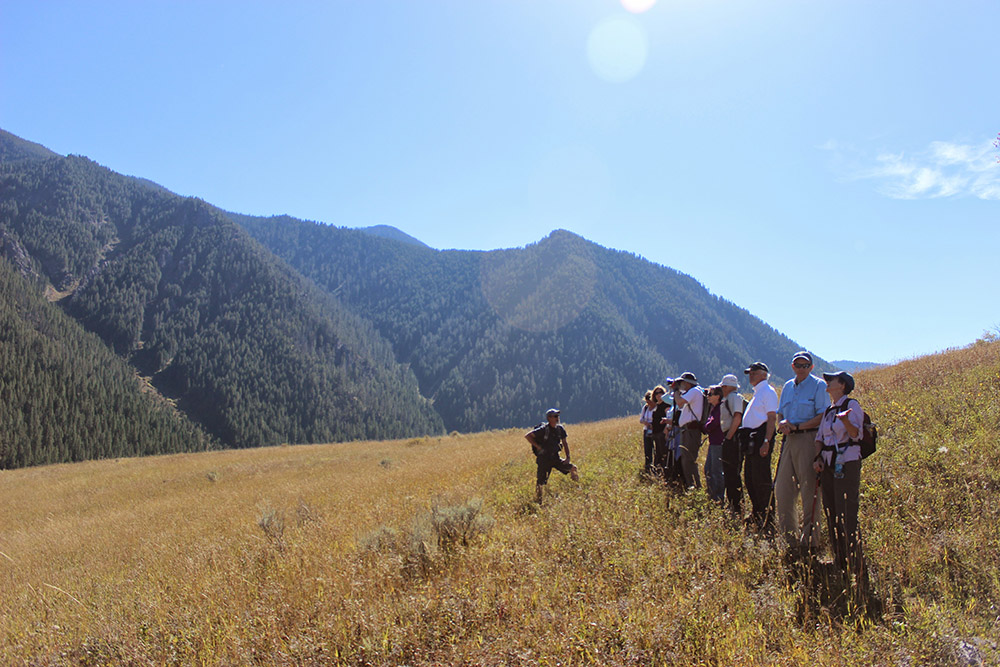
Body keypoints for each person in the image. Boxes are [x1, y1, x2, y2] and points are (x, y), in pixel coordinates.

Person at [814, 371, 868, 590]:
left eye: (832, 380)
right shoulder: (828, 411)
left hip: (847, 463)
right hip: (828, 464)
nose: (828, 382)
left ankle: (858, 566)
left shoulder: (852, 406)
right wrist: (817, 458)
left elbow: (857, 435)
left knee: (847, 512)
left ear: (843, 385)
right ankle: (840, 562)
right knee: (832, 511)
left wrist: (846, 421)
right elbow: (819, 438)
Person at [775, 351, 831, 553]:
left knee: (810, 491)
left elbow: (823, 415)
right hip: (788, 440)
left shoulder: (819, 386)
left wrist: (798, 427)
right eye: (798, 365)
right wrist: (782, 423)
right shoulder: (788, 386)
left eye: (805, 365)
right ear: (792, 366)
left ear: (811, 367)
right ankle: (789, 540)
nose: (801, 368)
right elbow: (781, 412)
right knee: (782, 490)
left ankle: (810, 542)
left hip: (809, 439)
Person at [738, 362, 778, 531]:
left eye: (754, 373)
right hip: (752, 440)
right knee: (750, 478)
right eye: (750, 373)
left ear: (763, 374)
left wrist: (767, 441)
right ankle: (757, 512)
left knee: (761, 479)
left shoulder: (767, 392)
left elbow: (771, 418)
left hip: (760, 438)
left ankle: (768, 517)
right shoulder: (757, 393)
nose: (751, 375)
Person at [525, 408, 579, 504]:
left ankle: (577, 489)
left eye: (557, 416)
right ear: (549, 418)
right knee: (540, 482)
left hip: (555, 458)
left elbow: (565, 443)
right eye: (555, 416)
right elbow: (528, 436)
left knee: (573, 468)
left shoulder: (560, 429)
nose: (557, 418)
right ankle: (538, 501)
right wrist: (538, 447)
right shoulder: (543, 429)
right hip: (544, 459)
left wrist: (568, 457)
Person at [673, 371, 706, 489]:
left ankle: (695, 486)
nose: (680, 385)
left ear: (687, 383)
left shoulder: (694, 391)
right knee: (686, 459)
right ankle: (691, 485)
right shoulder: (693, 392)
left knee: (689, 460)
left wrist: (676, 391)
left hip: (691, 430)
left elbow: (679, 402)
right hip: (688, 430)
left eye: (682, 383)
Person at [718, 374, 745, 515]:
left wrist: (729, 437)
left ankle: (737, 506)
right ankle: (734, 504)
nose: (722, 389)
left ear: (728, 386)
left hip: (733, 437)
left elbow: (737, 417)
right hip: (730, 436)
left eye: (723, 386)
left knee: (732, 473)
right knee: (729, 473)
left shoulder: (734, 398)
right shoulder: (729, 398)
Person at [702, 385, 726, 502]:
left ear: (718, 396)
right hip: (713, 442)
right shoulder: (714, 408)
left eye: (710, 394)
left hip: (718, 443)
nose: (708, 397)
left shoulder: (720, 408)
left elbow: (712, 424)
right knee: (708, 469)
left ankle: (719, 497)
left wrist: (707, 427)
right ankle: (712, 494)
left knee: (716, 470)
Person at [649, 385, 670, 480]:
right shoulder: (656, 406)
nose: (659, 395)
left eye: (661, 392)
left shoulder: (666, 405)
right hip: (656, 433)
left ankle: (666, 473)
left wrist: (666, 430)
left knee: (663, 453)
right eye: (656, 393)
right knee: (657, 453)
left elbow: (669, 418)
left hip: (662, 433)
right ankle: (658, 473)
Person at [639, 390, 655, 474]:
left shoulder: (657, 407)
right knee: (647, 449)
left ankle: (656, 466)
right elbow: (641, 419)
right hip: (646, 430)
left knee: (655, 449)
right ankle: (648, 466)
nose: (649, 403)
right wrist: (645, 423)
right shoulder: (645, 408)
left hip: (655, 431)